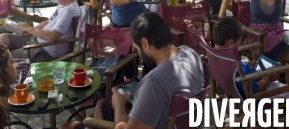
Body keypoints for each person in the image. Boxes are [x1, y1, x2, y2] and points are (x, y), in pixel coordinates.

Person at [63, 12, 205, 129]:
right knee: (102, 104)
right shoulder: (190, 53)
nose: (139, 53)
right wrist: (138, 87)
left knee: (68, 126)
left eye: (137, 49)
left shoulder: (154, 82)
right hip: (178, 121)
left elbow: (157, 86)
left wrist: (119, 105)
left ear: (145, 43)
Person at [0, 0, 81, 60]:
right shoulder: (63, 4)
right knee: (2, 38)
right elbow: (48, 21)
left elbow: (52, 37)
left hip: (44, 49)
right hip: (37, 39)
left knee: (2, 57)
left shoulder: (69, 11)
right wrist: (29, 31)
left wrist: (29, 28)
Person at [212, 17, 288, 99]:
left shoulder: (215, 54)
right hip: (256, 97)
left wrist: (248, 65)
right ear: (231, 42)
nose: (239, 44)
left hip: (237, 88)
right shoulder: (234, 65)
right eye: (239, 42)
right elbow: (255, 90)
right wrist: (269, 78)